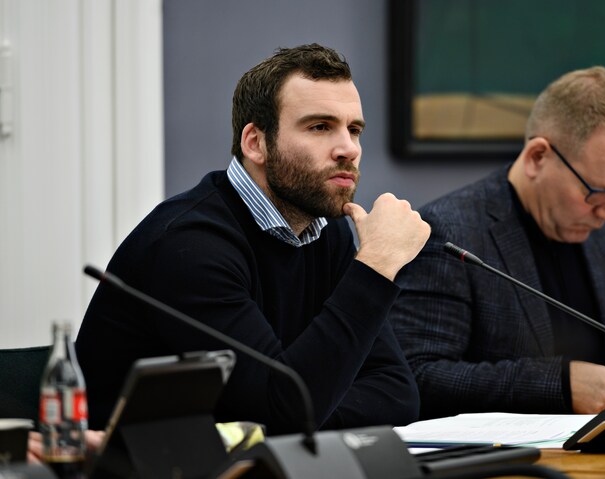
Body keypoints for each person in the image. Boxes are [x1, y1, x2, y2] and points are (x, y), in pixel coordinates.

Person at [75, 44, 430, 433]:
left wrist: (306, 413)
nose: (348, 149)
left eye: (354, 130)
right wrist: (375, 266)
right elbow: (280, 412)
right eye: (320, 127)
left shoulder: (328, 231)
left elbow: (397, 394)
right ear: (255, 143)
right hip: (134, 460)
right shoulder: (188, 246)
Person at [390, 66, 605, 419]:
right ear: (538, 157)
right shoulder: (450, 232)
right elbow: (417, 377)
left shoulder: (596, 235)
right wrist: (557, 386)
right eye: (599, 192)